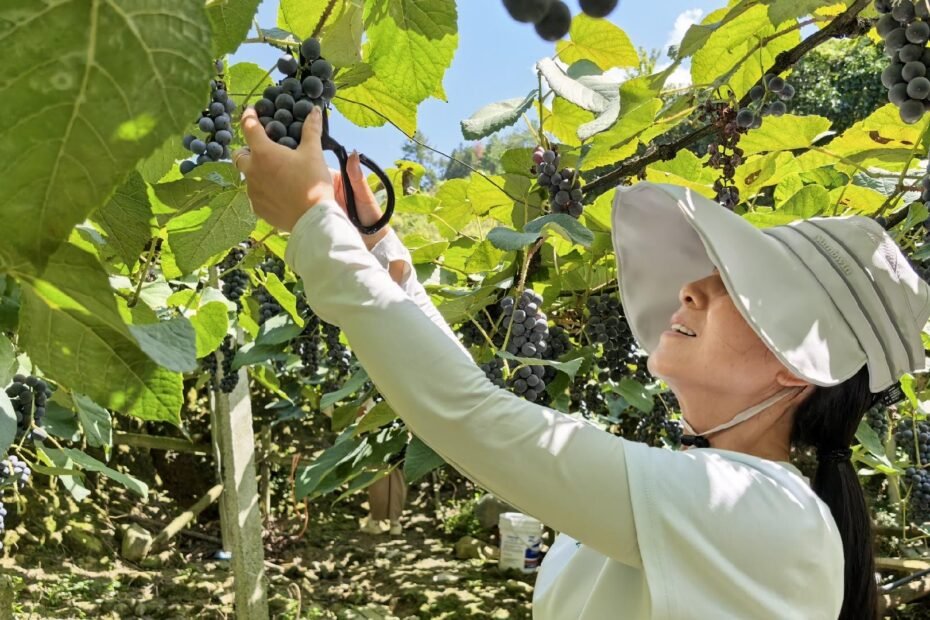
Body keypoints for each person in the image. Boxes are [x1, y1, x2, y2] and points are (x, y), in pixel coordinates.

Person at [232, 106, 930, 619]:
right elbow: (488, 416)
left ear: (796, 369)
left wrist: (318, 228)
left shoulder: (764, 512)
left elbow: (479, 422)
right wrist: (378, 252)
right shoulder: (698, 489)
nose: (693, 289)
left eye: (737, 290)